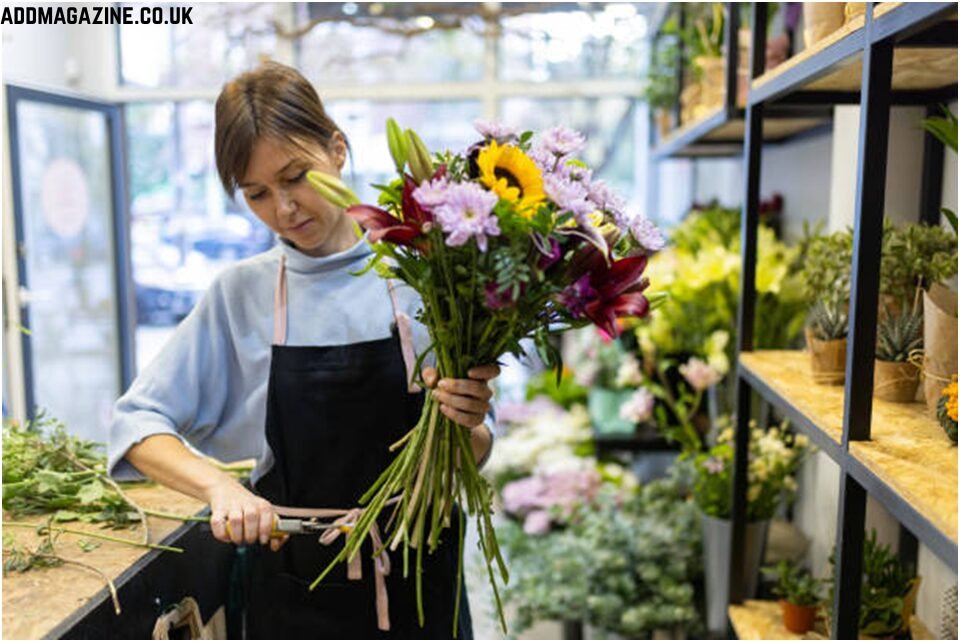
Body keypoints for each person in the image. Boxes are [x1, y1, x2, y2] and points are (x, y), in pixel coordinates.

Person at [107, 61, 499, 639]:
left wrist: (467, 421)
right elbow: (136, 425)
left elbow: (479, 445)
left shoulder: (429, 275)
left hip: (422, 581)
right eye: (258, 193)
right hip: (297, 588)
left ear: (337, 149)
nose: (284, 209)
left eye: (295, 176)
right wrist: (221, 488)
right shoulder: (243, 294)